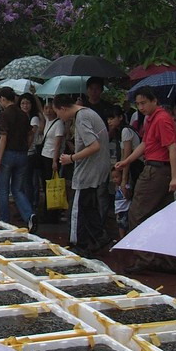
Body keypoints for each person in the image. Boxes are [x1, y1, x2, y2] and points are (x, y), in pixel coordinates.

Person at [115, 86, 176, 274]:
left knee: (137, 213)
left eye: (144, 103)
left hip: (156, 170)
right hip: (157, 168)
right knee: (161, 216)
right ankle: (166, 261)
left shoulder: (161, 119)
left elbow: (172, 147)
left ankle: (146, 258)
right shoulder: (151, 119)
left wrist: (175, 176)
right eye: (138, 104)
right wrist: (127, 161)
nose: (141, 107)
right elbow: (145, 143)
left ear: (154, 101)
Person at [54, 93, 111, 256]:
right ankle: (99, 236)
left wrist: (71, 158)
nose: (59, 117)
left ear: (63, 108)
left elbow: (94, 146)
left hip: (88, 170)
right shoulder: (88, 113)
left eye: (58, 113)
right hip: (97, 167)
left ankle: (78, 243)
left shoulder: (81, 117)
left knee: (77, 207)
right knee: (88, 206)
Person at [0, 87, 35, 227]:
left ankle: (4, 220)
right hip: (22, 154)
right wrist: (26, 147)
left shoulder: (5, 114)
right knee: (17, 189)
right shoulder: (23, 114)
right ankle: (29, 215)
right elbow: (31, 133)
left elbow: (3, 138)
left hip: (7, 154)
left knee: (3, 189)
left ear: (3, 99)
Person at [106, 105, 142, 232]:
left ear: (120, 117)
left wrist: (124, 180)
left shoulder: (126, 131)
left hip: (136, 167)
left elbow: (126, 156)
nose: (109, 121)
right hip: (130, 167)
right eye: (108, 119)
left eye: (112, 118)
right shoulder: (121, 132)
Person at [19, 93, 44, 223]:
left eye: (27, 103)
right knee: (24, 182)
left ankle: (29, 209)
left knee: (28, 182)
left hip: (30, 153)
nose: (25, 106)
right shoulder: (21, 117)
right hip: (23, 152)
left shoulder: (33, 119)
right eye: (23, 103)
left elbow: (31, 135)